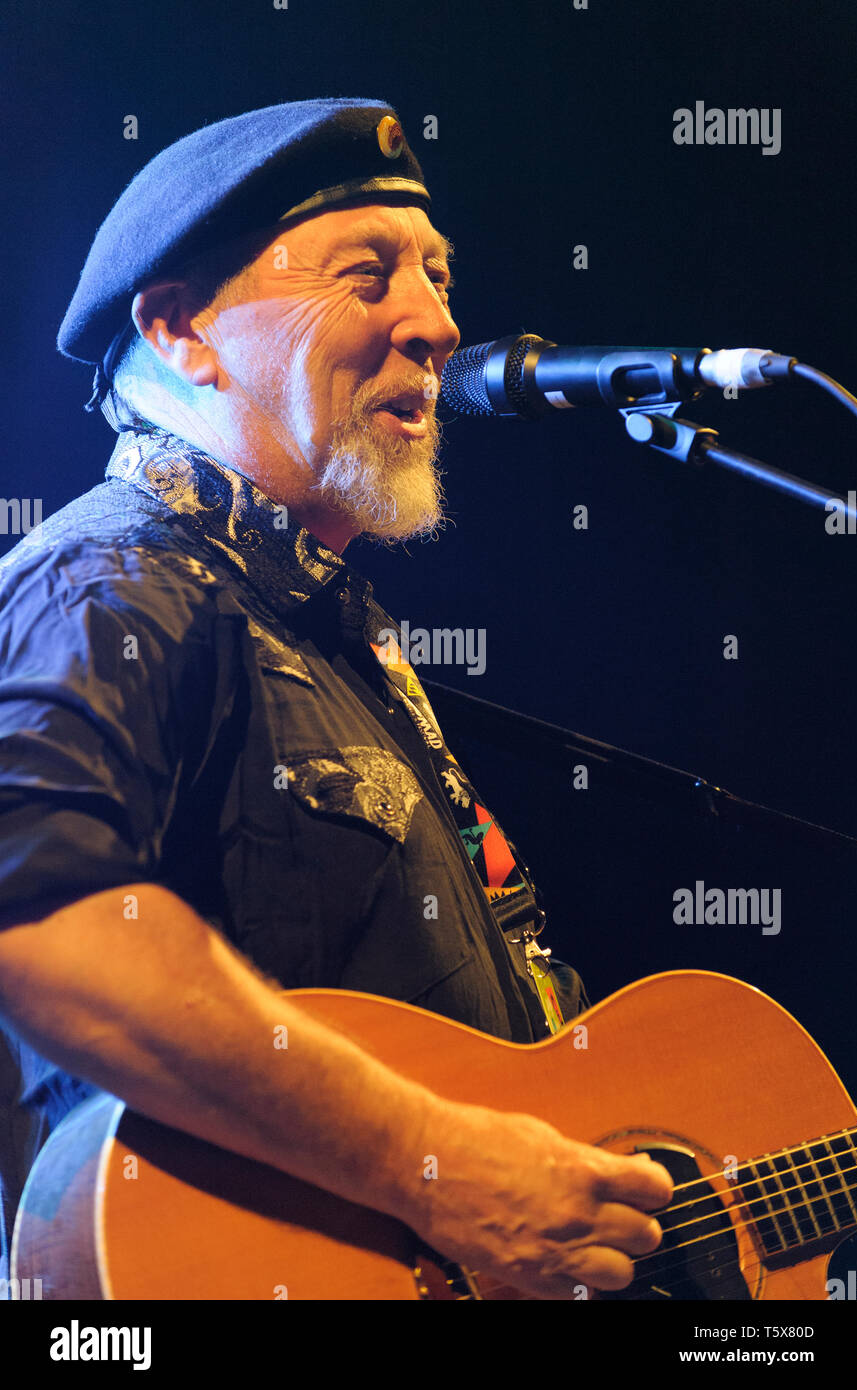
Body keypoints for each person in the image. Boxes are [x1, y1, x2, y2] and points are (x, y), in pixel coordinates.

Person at [0, 97, 672, 1299]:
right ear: (181, 332)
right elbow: (41, 921)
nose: (437, 322)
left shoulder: (329, 628)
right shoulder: (110, 580)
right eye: (368, 275)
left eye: (436, 273)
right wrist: (438, 1166)